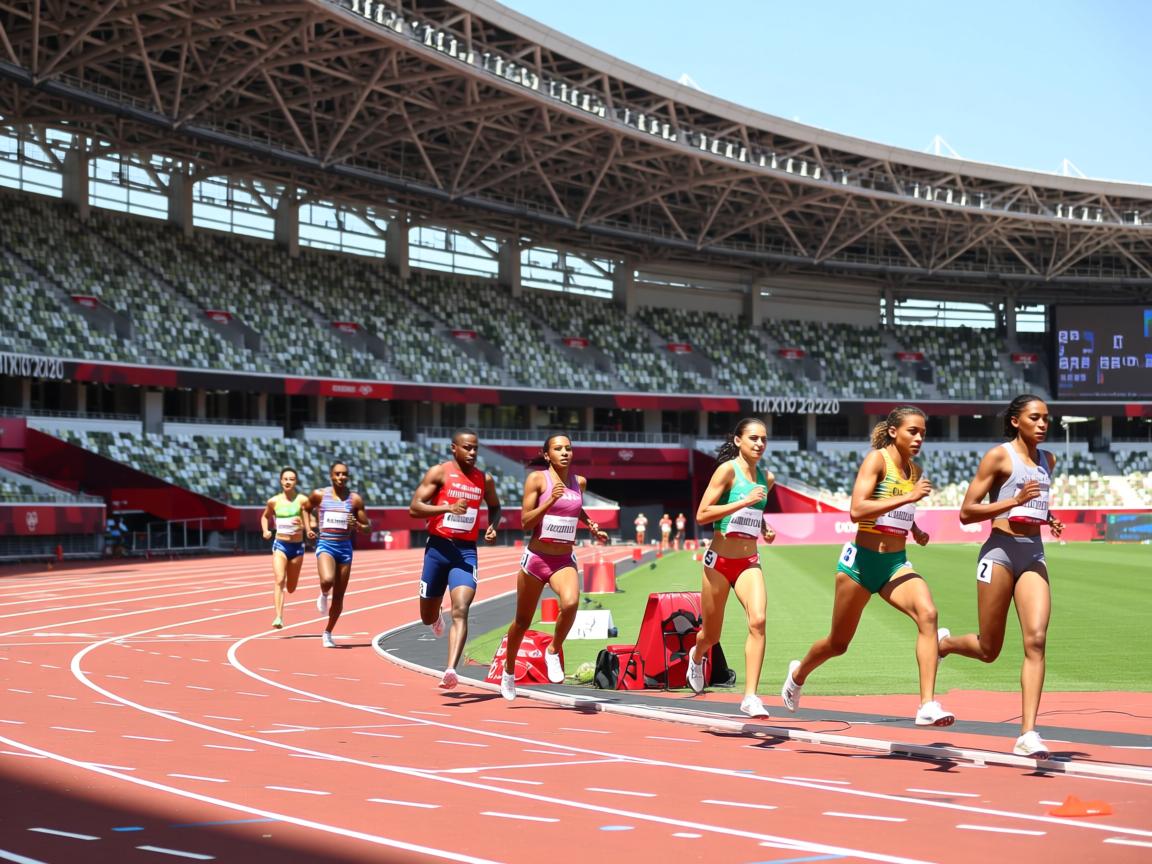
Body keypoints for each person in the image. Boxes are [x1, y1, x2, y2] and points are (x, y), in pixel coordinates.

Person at [780, 406, 954, 727]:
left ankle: (927, 704)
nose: (918, 438)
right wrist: (909, 497)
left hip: (895, 565)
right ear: (893, 432)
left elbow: (900, 509)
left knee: (928, 614)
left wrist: (915, 530)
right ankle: (798, 673)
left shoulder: (913, 470)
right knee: (838, 643)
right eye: (912, 431)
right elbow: (857, 510)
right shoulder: (877, 460)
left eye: (923, 433)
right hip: (860, 566)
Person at [939, 395, 1064, 759]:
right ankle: (945, 644)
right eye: (1035, 418)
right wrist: (1012, 502)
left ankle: (1028, 733)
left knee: (1036, 640)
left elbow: (1034, 502)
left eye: (1046, 419)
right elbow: (966, 512)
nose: (1043, 424)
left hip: (1034, 553)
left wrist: (1047, 516)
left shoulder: (1048, 461)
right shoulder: (998, 456)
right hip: (999, 552)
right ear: (1015, 421)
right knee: (988, 649)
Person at [500, 433, 607, 700]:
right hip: (536, 560)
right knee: (522, 622)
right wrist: (548, 501)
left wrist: (591, 524)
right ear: (547, 455)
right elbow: (525, 522)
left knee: (570, 603)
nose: (564, 453)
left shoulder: (578, 482)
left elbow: (575, 508)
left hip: (563, 560)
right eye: (558, 449)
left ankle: (552, 650)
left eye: (568, 448)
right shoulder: (537, 480)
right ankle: (509, 670)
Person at [687, 418, 778, 718]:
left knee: (759, 620)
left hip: (749, 562)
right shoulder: (727, 471)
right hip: (719, 563)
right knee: (710, 636)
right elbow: (702, 514)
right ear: (738, 441)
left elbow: (755, 510)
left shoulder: (767, 477)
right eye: (753, 438)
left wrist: (764, 527)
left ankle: (750, 696)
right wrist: (743, 503)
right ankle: (697, 656)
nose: (759, 444)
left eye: (763, 439)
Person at [409, 428, 502, 689]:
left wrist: (492, 526)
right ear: (454, 448)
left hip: (465, 551)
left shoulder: (485, 479)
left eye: (475, 448)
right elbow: (414, 507)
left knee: (461, 609)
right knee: (427, 616)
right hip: (437, 549)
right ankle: (435, 617)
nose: (472, 452)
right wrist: (447, 507)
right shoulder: (439, 472)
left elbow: (495, 506)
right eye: (467, 448)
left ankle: (450, 669)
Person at [304, 461, 370, 648]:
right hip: (326, 544)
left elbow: (368, 528)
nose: (341, 477)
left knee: (340, 596)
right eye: (337, 474)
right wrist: (309, 528)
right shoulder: (319, 495)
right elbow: (306, 508)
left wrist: (356, 525)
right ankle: (324, 592)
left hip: (345, 548)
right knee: (327, 579)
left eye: (344, 474)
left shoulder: (355, 499)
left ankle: (328, 632)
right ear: (331, 476)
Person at [260, 467, 313, 630]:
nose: (288, 481)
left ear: (296, 482)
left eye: (292, 479)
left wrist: (307, 528)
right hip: (280, 545)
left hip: (297, 548)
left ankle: (291, 583)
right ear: (281, 481)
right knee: (279, 580)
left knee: (291, 587)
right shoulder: (273, 501)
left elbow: (311, 521)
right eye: (285, 479)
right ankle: (278, 617)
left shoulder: (303, 500)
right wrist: (266, 530)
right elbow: (265, 516)